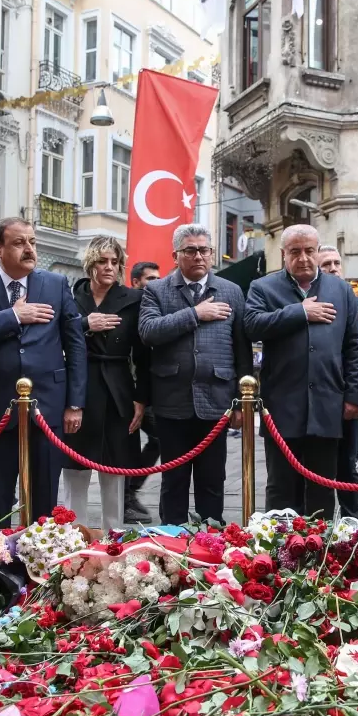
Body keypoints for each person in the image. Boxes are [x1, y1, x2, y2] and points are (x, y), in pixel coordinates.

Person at [0, 217, 87, 519]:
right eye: (19, 243)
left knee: (44, 500)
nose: (29, 249)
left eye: (32, 242)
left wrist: (75, 403)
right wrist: (12, 316)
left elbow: (75, 344)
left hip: (48, 407)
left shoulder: (55, 284)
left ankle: (38, 561)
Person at [244, 225, 358, 519]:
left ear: (317, 251)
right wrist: (299, 312)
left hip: (327, 404)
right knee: (281, 487)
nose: (303, 258)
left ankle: (318, 553)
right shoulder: (264, 287)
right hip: (282, 407)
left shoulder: (340, 289)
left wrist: (354, 395)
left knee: (322, 487)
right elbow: (252, 325)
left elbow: (354, 345)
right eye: (295, 252)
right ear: (283, 254)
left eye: (309, 251)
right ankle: (278, 553)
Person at [139, 225, 250, 525]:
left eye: (204, 250)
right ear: (175, 255)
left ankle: (210, 544)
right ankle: (171, 544)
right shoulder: (156, 290)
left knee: (212, 480)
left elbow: (242, 349)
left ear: (212, 254)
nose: (198, 256)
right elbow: (148, 332)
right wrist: (195, 314)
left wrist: (242, 400)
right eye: (190, 250)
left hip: (216, 400)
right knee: (173, 481)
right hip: (171, 401)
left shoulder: (231, 291)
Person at [63, 237, 150, 531]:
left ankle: (114, 539)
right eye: (102, 261)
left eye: (114, 261)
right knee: (75, 467)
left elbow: (143, 354)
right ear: (91, 263)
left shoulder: (133, 299)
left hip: (119, 389)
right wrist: (86, 323)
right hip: (78, 387)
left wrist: (141, 397)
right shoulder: (70, 297)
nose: (109, 267)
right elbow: (54, 334)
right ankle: (75, 536)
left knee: (115, 467)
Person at [318, 245, 358, 520]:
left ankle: (352, 521)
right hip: (320, 397)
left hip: (346, 397)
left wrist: (357, 393)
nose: (333, 268)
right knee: (319, 466)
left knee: (348, 464)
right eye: (327, 265)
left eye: (336, 263)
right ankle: (318, 524)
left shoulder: (355, 302)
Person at [123, 261, 162, 524]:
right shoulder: (128, 306)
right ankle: (125, 498)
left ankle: (130, 491)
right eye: (150, 278)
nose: (156, 282)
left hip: (145, 390)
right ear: (136, 281)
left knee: (158, 438)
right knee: (125, 446)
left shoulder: (153, 304)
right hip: (126, 390)